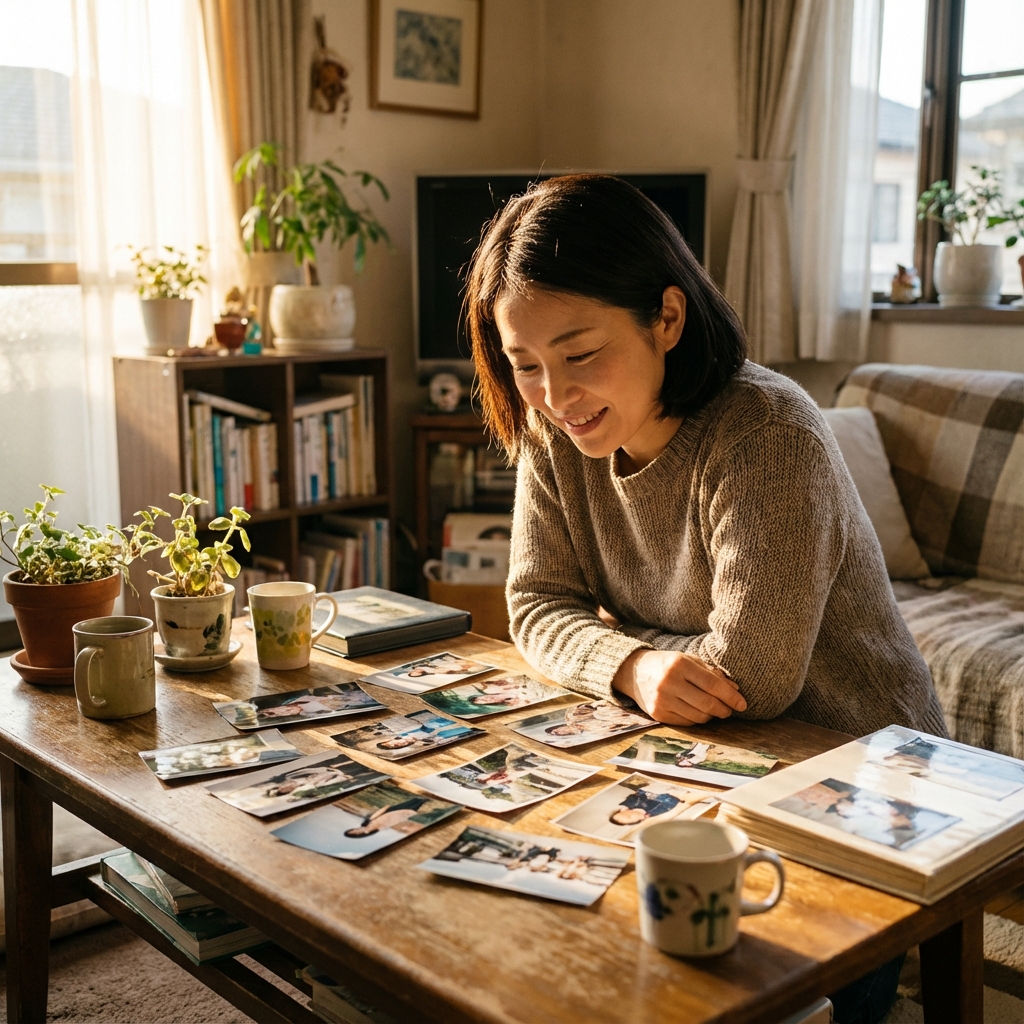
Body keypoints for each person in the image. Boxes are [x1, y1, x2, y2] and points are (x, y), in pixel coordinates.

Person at [465, 174, 944, 1024]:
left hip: (855, 759)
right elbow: (535, 603)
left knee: (765, 995)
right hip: (701, 749)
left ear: (668, 319)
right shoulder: (553, 431)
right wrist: (634, 662)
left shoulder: (766, 432)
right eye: (524, 363)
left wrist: (621, 643)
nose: (553, 394)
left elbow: (754, 675)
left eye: (580, 354)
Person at [608, 786, 681, 827]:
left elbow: (640, 790)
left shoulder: (631, 802)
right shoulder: (655, 812)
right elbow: (672, 801)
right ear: (636, 821)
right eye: (628, 817)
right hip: (673, 789)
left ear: (623, 810)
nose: (626, 814)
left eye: (621, 813)